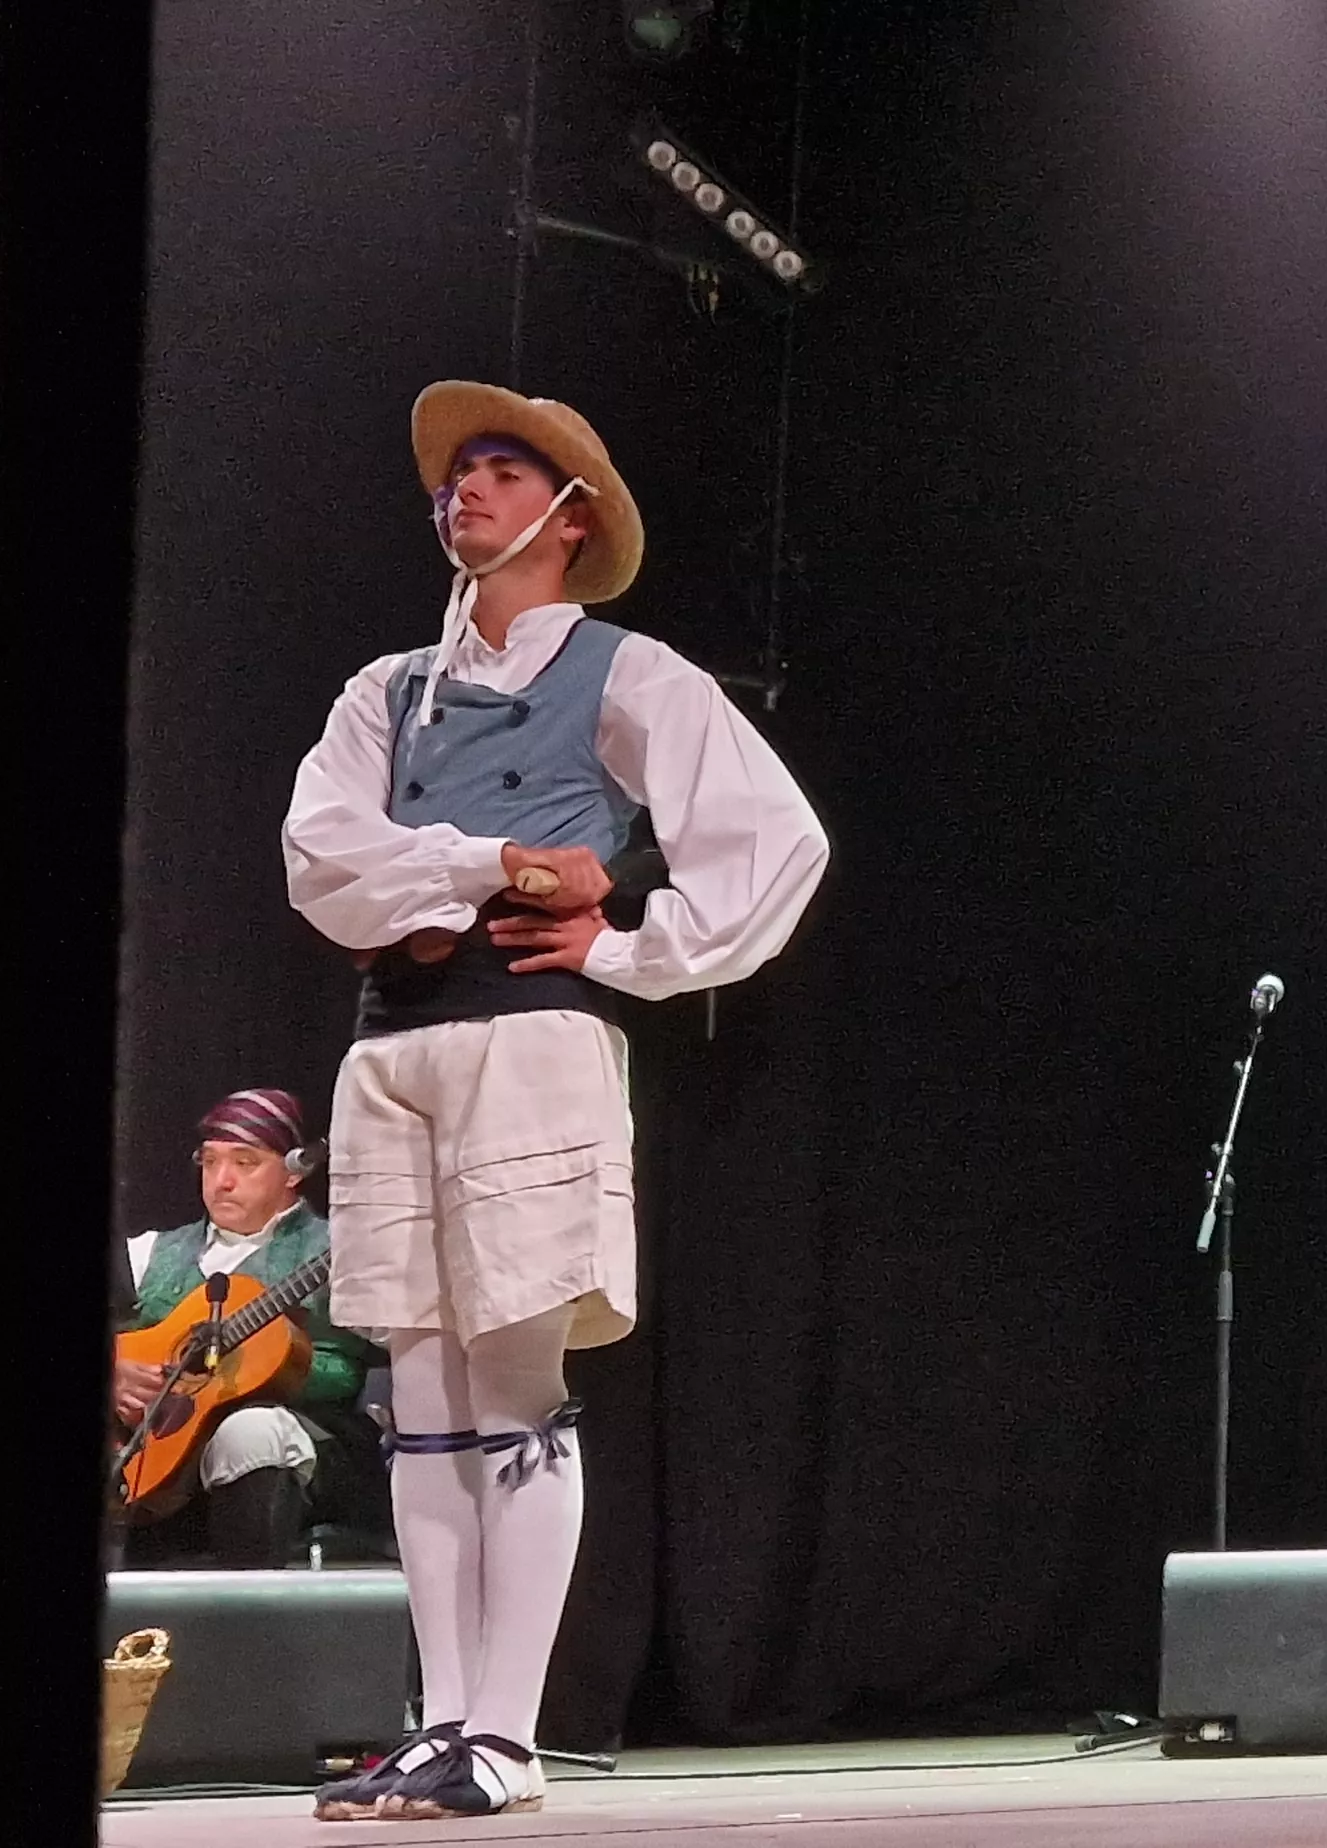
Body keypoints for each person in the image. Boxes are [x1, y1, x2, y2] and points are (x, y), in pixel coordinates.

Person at [282, 382, 829, 1819]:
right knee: (421, 1388)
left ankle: (506, 1735)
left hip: (530, 1039)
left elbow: (773, 846)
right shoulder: (383, 690)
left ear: (565, 516)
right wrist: (501, 867)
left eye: (500, 469)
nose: (464, 489)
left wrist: (629, 938)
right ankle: (443, 1717)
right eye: (458, 471)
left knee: (514, 1380)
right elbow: (324, 860)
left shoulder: (629, 676)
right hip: (394, 1047)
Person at [116, 1088, 382, 1569]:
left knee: (249, 1431)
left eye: (245, 1162)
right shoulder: (153, 1252)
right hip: (161, 1451)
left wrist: (274, 1364)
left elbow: (353, 1367)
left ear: (295, 1172)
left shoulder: (339, 1251)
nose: (222, 1181)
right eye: (211, 1162)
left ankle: (251, 1626)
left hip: (310, 1444)